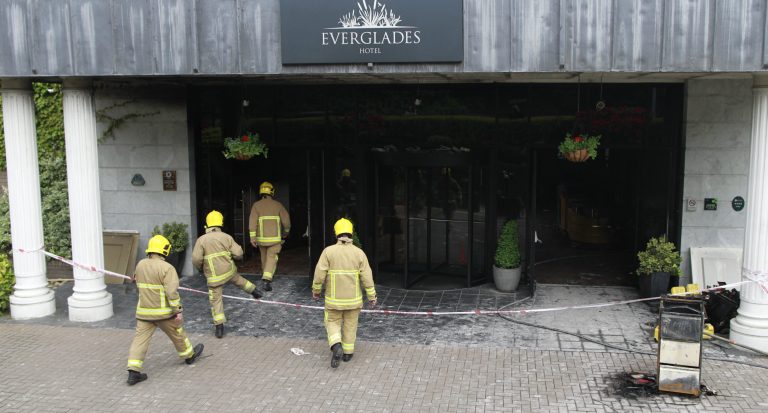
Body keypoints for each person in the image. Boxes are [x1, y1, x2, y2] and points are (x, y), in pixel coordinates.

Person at [126, 235, 204, 385]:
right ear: (165, 250)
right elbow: (171, 293)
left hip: (144, 312)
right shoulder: (167, 268)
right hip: (164, 313)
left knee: (139, 341)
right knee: (178, 334)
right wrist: (177, 310)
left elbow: (136, 280)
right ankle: (189, 356)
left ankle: (133, 372)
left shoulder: (140, 264)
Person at [312, 218, 377, 368]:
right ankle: (348, 353)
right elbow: (367, 277)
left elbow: (319, 274)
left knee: (332, 322)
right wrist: (372, 296)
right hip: (354, 301)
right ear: (351, 233)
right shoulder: (359, 253)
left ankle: (336, 346)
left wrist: (316, 291)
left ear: (336, 233)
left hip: (333, 300)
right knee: (350, 325)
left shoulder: (328, 252)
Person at [192, 210, 264, 338]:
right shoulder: (226, 237)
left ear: (207, 224)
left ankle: (219, 327)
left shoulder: (201, 240)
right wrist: (234, 258)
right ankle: (255, 291)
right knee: (239, 281)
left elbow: (196, 259)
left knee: (216, 300)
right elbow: (239, 253)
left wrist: (200, 268)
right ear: (220, 223)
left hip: (214, 276)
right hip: (228, 271)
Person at [249, 181, 291, 291]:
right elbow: (286, 222)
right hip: (275, 240)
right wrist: (285, 233)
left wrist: (252, 238)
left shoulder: (256, 205)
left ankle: (265, 275)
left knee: (264, 258)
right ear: (272, 191)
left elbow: (252, 222)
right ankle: (267, 280)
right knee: (272, 258)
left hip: (261, 240)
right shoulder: (278, 205)